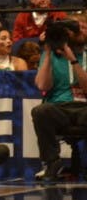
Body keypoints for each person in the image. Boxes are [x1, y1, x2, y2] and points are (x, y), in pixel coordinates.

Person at [31, 13, 87, 181]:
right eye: (76, 29)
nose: (81, 32)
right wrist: (47, 53)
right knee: (40, 111)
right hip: (59, 108)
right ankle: (52, 162)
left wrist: (72, 60)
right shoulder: (52, 55)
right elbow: (42, 86)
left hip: (84, 108)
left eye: (84, 28)